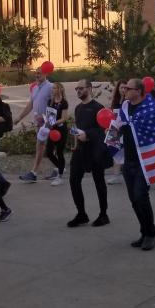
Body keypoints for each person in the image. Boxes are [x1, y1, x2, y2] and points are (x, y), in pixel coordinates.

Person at [117, 78, 155, 251]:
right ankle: (144, 232)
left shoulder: (150, 108)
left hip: (144, 161)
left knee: (140, 196)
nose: (125, 90)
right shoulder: (125, 107)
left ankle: (152, 233)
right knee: (134, 200)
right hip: (128, 159)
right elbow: (121, 126)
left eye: (128, 88)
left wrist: (127, 126)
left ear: (138, 91)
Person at [66, 79, 110, 227]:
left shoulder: (98, 107)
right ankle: (81, 214)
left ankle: (103, 215)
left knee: (99, 183)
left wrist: (88, 135)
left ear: (89, 89)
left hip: (95, 150)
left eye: (81, 88)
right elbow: (79, 128)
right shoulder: (78, 108)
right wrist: (76, 140)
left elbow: (103, 130)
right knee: (73, 180)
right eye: (76, 89)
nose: (78, 91)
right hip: (80, 150)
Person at [16, 67, 54, 183]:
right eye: (36, 73)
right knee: (47, 148)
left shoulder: (51, 87)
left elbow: (56, 103)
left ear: (45, 74)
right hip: (39, 123)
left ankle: (34, 173)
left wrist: (49, 120)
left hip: (48, 123)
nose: (37, 75)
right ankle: (58, 169)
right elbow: (30, 105)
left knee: (42, 146)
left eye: (39, 73)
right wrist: (19, 118)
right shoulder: (35, 88)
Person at [42, 82, 70, 186]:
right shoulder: (50, 101)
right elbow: (49, 114)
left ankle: (60, 176)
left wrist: (55, 122)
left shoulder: (64, 102)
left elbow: (64, 118)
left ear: (59, 90)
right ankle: (61, 167)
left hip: (61, 130)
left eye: (54, 88)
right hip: (52, 130)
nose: (52, 90)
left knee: (59, 152)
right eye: (52, 88)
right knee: (49, 152)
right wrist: (46, 120)